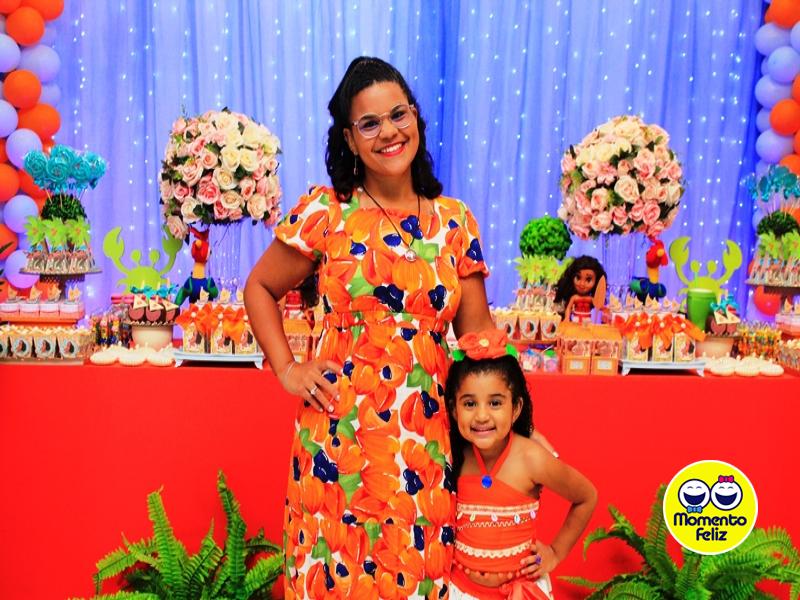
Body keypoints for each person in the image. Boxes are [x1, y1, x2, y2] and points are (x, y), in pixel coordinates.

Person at [244, 56, 496, 598]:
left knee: (417, 580)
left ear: (416, 118)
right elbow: (259, 287)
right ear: (350, 140)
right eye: (370, 123)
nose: (389, 132)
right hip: (338, 447)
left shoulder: (455, 221)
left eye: (398, 115)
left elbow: (480, 342)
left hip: (425, 449)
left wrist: (517, 427)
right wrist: (287, 368)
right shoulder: (327, 211)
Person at [444, 329, 597, 600]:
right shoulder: (455, 455)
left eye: (495, 403)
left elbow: (586, 496)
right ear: (455, 410)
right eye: (469, 404)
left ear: (515, 408)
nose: (482, 415)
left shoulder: (531, 458)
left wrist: (555, 553)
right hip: (461, 591)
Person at [554, 255, 608, 324]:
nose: (582, 284)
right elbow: (568, 308)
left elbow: (599, 306)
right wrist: (567, 318)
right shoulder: (574, 298)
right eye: (578, 277)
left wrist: (606, 311)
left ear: (596, 282)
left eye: (588, 280)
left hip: (587, 320)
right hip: (576, 319)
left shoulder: (591, 299)